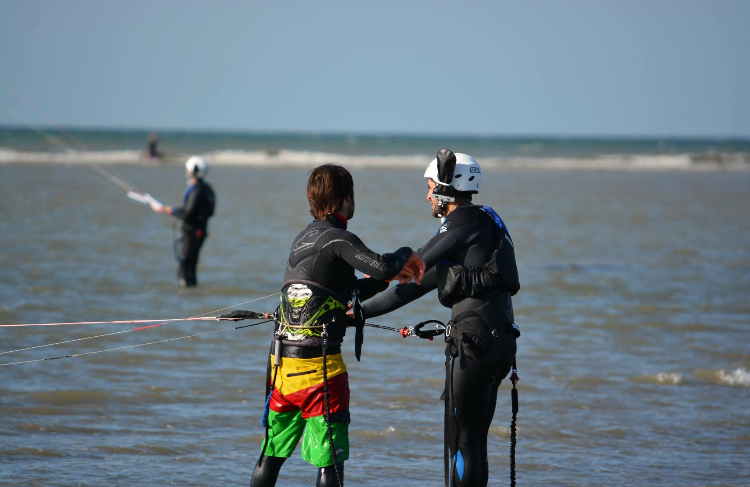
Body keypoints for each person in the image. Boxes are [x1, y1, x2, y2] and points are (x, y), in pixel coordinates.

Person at [238, 164, 425, 487]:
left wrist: (385, 281)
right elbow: (381, 265)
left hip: (281, 368)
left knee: (271, 457)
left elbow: (340, 290)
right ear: (345, 200)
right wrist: (407, 254)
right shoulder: (339, 238)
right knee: (330, 464)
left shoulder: (303, 239)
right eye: (352, 195)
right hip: (319, 370)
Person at [358, 150, 520, 487]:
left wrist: (356, 296)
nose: (427, 195)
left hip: (473, 342)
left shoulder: (461, 224)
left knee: (462, 441)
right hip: (498, 340)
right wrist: (360, 312)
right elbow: (416, 285)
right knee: (473, 441)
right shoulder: (484, 221)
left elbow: (409, 270)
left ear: (447, 187)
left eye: (431, 186)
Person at [152, 155, 215, 287]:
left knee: (185, 264)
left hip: (192, 232)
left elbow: (188, 213)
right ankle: (191, 291)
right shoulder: (206, 188)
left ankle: (186, 290)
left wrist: (171, 211)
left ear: (193, 170)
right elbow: (193, 210)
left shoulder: (197, 190)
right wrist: (172, 210)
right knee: (191, 264)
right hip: (199, 230)